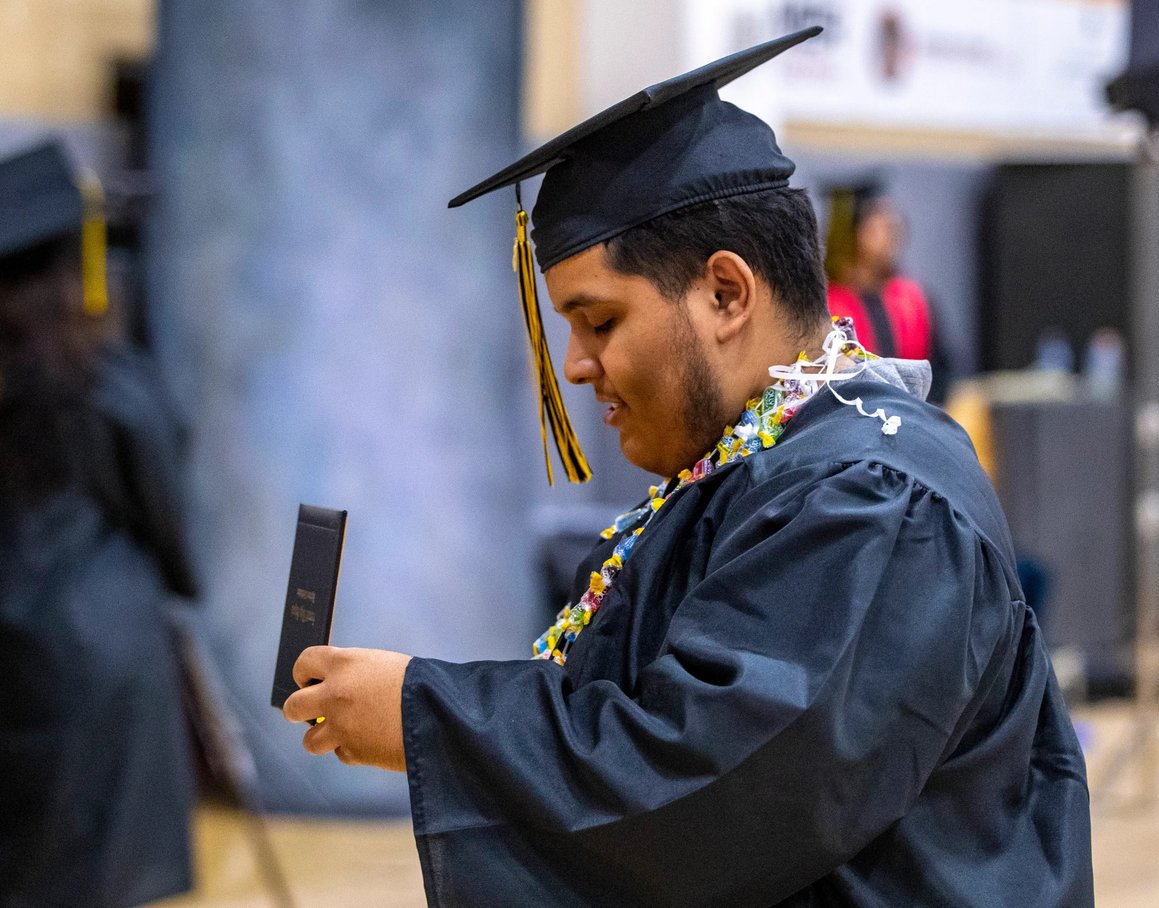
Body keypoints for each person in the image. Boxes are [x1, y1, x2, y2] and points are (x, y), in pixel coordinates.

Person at [282, 28, 1094, 906]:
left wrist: (425, 714)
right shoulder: (759, 461)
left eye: (599, 321)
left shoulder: (875, 498)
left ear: (725, 294)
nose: (576, 365)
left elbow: (712, 782)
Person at [0, 141, 195, 907]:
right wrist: (182, 576)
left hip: (12, 658)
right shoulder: (103, 380)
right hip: (103, 653)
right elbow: (160, 503)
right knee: (104, 870)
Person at [823, 181, 933, 362]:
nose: (893, 238)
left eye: (895, 228)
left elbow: (939, 367)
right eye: (882, 228)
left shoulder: (912, 298)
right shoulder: (827, 304)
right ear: (851, 233)